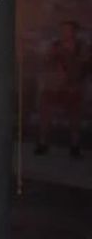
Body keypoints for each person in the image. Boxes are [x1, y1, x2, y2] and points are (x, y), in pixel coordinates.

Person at [36, 21, 88, 158]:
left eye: (68, 30)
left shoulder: (81, 47)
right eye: (63, 30)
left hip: (74, 88)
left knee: (74, 119)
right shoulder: (55, 46)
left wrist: (73, 78)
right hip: (54, 87)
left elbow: (84, 66)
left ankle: (75, 147)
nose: (65, 32)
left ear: (74, 32)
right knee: (45, 116)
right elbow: (46, 63)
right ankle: (43, 144)